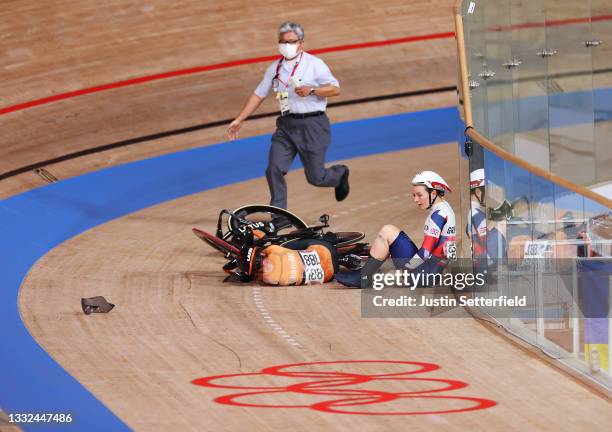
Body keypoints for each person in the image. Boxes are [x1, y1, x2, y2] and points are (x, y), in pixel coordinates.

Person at [226, 21, 349, 209]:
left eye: (291, 42)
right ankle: (279, 214)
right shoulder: (275, 69)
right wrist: (239, 119)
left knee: (316, 178)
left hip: (313, 125)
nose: (287, 46)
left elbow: (335, 89)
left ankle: (339, 175)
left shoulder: (314, 64)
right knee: (273, 168)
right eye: (283, 42)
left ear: (301, 43)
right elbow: (258, 94)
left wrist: (313, 90)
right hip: (286, 126)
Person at [335, 171, 456, 288]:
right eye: (414, 195)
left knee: (387, 231)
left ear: (433, 193)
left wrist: (407, 268)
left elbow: (426, 251)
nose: (416, 200)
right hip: (433, 272)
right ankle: (366, 274)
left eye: (419, 195)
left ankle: (364, 277)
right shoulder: (446, 208)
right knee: (391, 234)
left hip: (423, 275)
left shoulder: (437, 216)